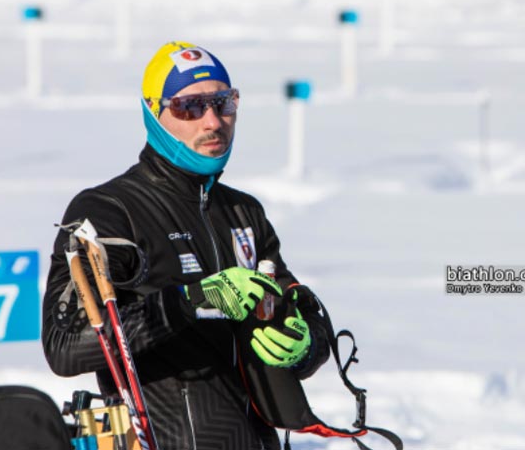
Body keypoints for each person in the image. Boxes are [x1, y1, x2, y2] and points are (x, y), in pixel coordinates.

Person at [41, 41, 330, 450]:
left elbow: (299, 310)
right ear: (154, 114)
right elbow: (64, 345)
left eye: (223, 103)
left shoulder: (244, 213)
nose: (212, 121)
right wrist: (188, 301)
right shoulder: (107, 212)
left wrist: (306, 343)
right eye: (189, 107)